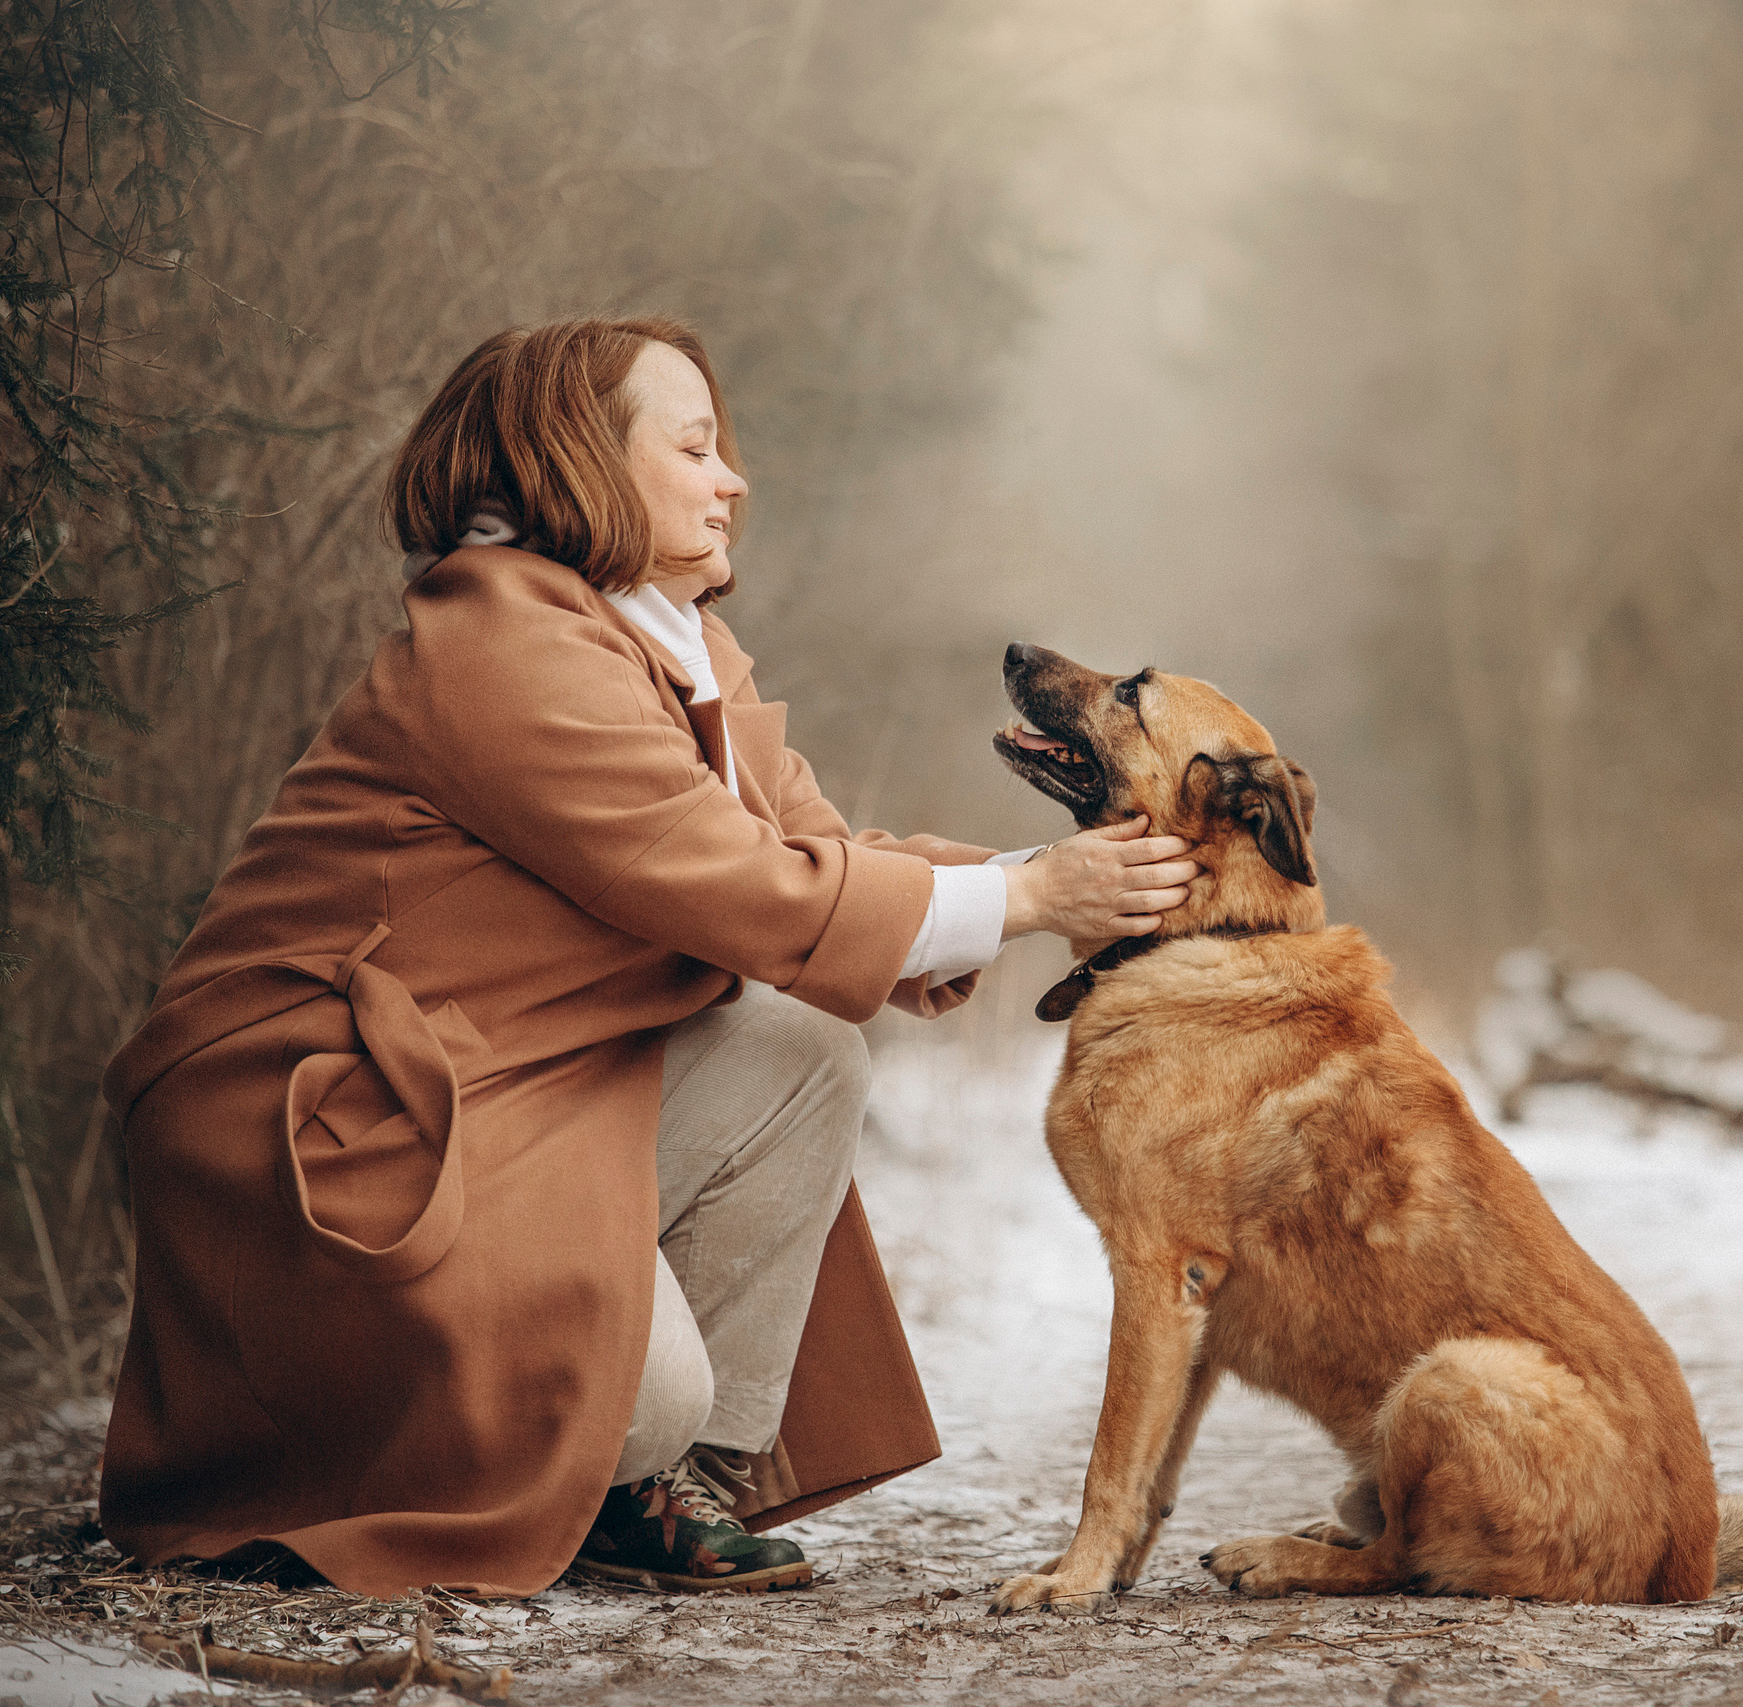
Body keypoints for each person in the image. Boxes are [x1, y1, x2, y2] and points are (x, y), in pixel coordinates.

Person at [95, 317, 1198, 1599]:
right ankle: (580, 1452)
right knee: (641, 1395)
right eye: (694, 447)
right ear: (580, 465)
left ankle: (659, 1497)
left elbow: (807, 851)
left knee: (799, 1050)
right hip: (327, 1130)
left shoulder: (673, 645)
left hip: (484, 1086)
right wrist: (1025, 895)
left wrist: (999, 897)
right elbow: (736, 883)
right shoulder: (499, 645)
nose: (732, 479)